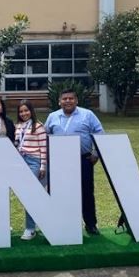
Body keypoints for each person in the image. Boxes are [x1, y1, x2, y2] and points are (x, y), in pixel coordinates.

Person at [44, 89, 104, 235]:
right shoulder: (52, 116)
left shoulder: (87, 115)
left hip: (83, 159)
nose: (68, 101)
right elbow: (45, 136)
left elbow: (100, 133)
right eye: (64, 99)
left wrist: (96, 153)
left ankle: (90, 224)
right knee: (58, 192)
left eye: (71, 98)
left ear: (76, 100)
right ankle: (59, 223)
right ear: (59, 101)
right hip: (59, 161)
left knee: (86, 192)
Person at [14, 99, 47, 240]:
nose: (24, 113)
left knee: (30, 195)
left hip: (34, 162)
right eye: (21, 111)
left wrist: (43, 165)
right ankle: (38, 224)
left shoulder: (38, 126)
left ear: (31, 111)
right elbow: (17, 143)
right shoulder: (18, 126)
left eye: (26, 110)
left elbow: (44, 147)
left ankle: (30, 228)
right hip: (21, 161)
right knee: (28, 195)